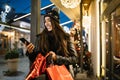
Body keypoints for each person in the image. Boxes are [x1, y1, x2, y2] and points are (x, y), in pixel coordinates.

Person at [26, 7, 78, 79]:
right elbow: (36, 60)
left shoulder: (66, 37)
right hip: (48, 75)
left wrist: (57, 58)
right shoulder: (40, 37)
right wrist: (30, 52)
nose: (46, 23)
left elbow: (74, 59)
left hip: (64, 75)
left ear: (55, 22)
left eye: (49, 20)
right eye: (45, 21)